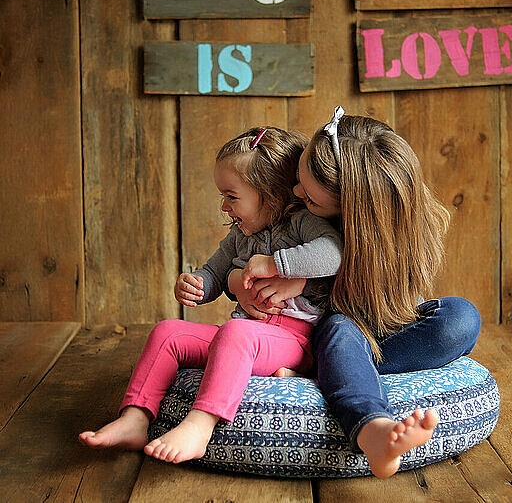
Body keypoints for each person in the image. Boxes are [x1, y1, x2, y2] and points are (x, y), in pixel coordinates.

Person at [233, 108, 481, 478]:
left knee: (461, 318)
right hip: (335, 330)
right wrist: (260, 280)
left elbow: (387, 300)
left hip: (383, 330)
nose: (296, 194)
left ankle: (326, 373)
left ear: (355, 213)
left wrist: (305, 279)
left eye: (312, 198)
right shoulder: (300, 220)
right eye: (299, 179)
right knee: (340, 330)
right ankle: (372, 430)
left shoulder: (403, 236)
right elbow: (239, 265)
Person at [79, 126, 346, 464]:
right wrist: (197, 283)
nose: (224, 206)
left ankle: (199, 426)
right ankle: (136, 418)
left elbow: (333, 253)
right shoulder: (240, 236)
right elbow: (215, 272)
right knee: (169, 332)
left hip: (295, 341)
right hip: (246, 338)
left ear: (273, 193)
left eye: (232, 196)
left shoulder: (302, 223)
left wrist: (277, 264)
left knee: (236, 332)